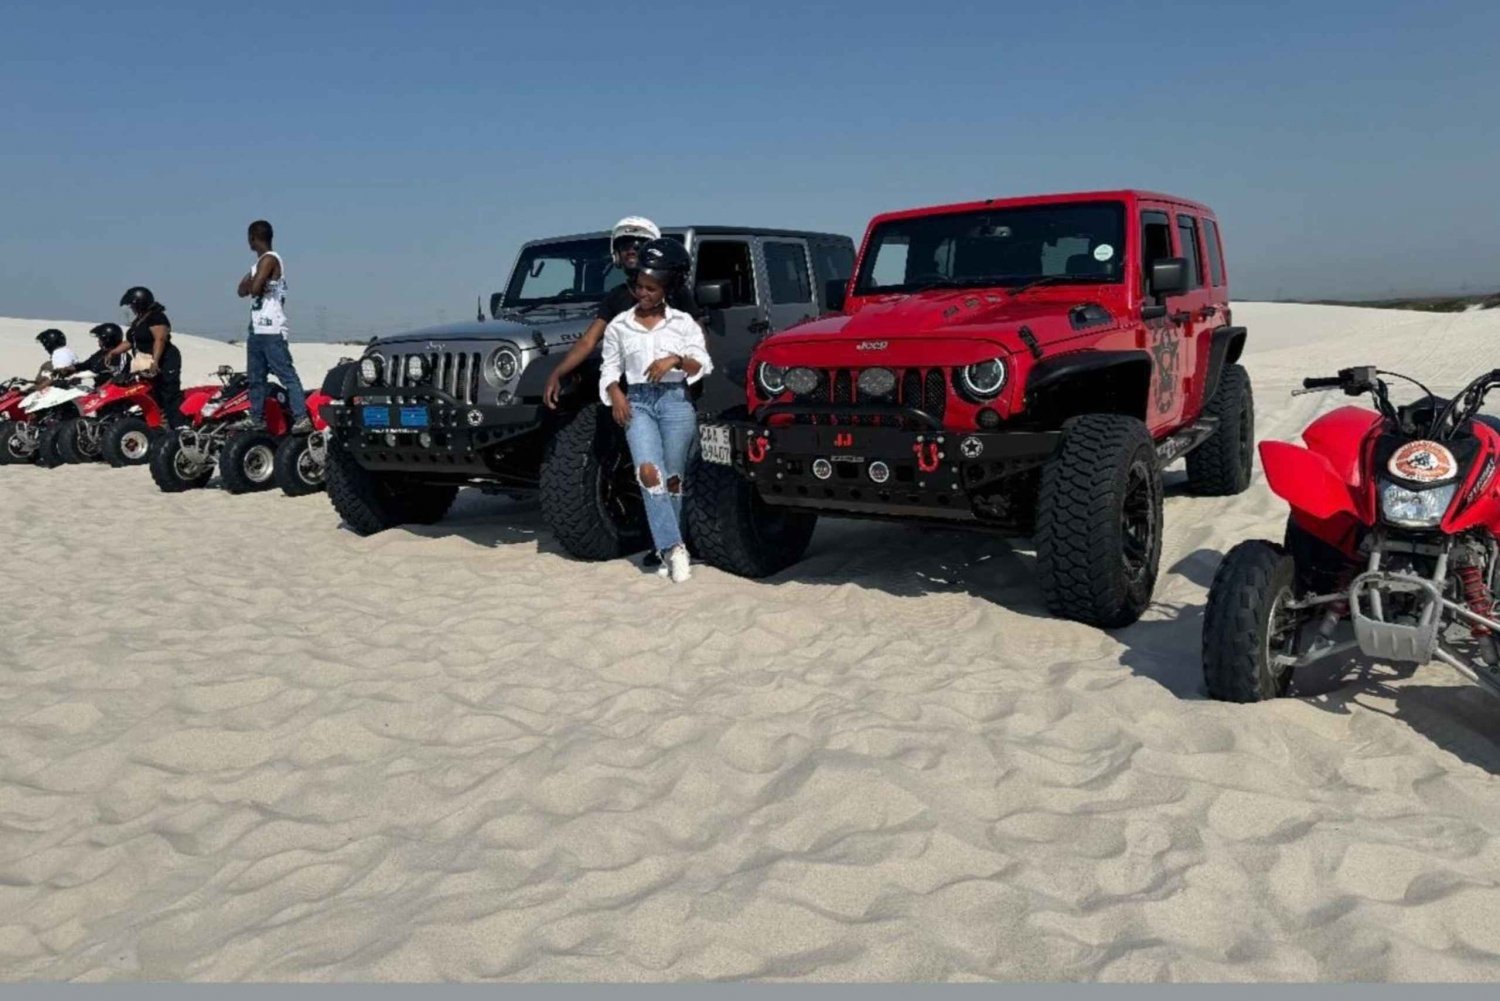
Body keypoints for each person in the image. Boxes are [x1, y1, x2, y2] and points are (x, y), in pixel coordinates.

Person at [598, 238, 712, 583]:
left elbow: (702, 364)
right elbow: (608, 368)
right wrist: (615, 393)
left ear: (666, 289)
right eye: (638, 286)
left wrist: (675, 360)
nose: (642, 293)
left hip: (676, 401)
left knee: (674, 480)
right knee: (649, 474)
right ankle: (675, 547)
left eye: (650, 288)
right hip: (637, 403)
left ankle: (666, 546)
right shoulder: (619, 325)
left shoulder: (683, 324)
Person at [236, 219, 313, 434]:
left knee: (286, 374)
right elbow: (241, 290)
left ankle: (301, 417)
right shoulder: (257, 264)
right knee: (255, 377)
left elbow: (255, 289)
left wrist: (254, 283)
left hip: (272, 329)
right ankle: (256, 417)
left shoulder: (270, 259)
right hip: (257, 328)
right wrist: (253, 283)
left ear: (252, 238)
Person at [110, 286, 184, 425]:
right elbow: (131, 341)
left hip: (165, 359)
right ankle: (156, 424)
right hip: (146, 361)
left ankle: (179, 425)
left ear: (140, 303)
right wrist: (114, 352)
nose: (131, 308)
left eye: (132, 304)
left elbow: (160, 339)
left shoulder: (156, 317)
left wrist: (155, 361)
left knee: (168, 392)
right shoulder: (139, 320)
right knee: (150, 393)